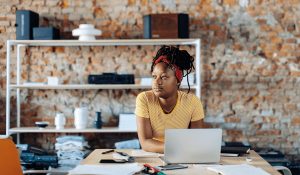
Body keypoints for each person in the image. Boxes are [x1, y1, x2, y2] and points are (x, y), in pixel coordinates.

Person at [135, 46, 205, 153]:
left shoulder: (192, 102)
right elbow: (145, 143)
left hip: (183, 157)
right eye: (154, 77)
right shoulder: (144, 99)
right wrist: (176, 148)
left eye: (163, 77)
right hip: (154, 157)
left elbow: (196, 141)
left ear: (177, 80)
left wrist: (182, 150)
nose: (157, 82)